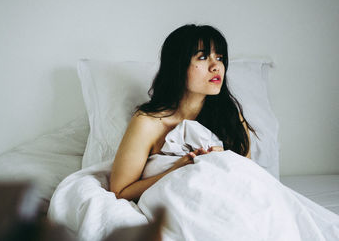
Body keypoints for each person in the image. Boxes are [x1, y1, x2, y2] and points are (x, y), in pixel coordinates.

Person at [110, 24, 256, 202]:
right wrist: (176, 170)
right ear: (177, 65)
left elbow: (250, 182)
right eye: (202, 57)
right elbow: (119, 192)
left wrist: (224, 161)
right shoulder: (147, 123)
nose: (216, 66)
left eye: (219, 57)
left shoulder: (230, 117)